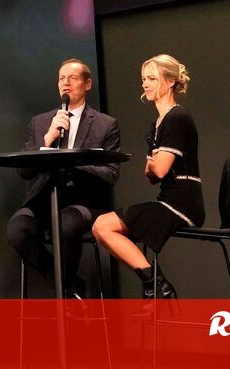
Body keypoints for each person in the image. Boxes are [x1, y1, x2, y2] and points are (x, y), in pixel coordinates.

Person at [7, 59, 121, 299]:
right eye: (61, 78)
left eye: (73, 78)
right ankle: (70, 290)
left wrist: (75, 162)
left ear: (87, 84)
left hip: (83, 202)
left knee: (67, 224)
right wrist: (46, 142)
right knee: (17, 230)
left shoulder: (105, 124)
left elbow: (111, 174)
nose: (65, 83)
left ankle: (65, 294)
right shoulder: (40, 122)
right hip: (44, 199)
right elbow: (24, 171)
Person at [92, 54, 204, 299]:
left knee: (103, 225)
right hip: (168, 199)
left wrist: (154, 164)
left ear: (171, 81)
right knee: (101, 227)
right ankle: (155, 285)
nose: (145, 84)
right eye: (144, 79)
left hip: (182, 204)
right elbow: (150, 175)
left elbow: (158, 170)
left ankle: (157, 285)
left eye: (152, 78)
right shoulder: (157, 124)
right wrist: (154, 165)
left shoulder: (177, 118)